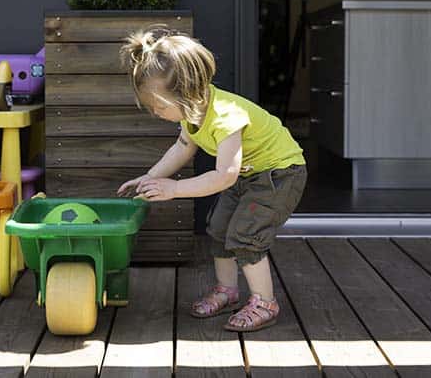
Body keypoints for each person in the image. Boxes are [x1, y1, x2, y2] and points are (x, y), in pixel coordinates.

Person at [117, 25, 307, 332]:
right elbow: (182, 147)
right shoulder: (192, 114)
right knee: (218, 229)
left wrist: (174, 188)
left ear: (188, 93)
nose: (155, 113)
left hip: (280, 174)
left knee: (246, 235)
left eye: (158, 106)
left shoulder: (225, 116)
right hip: (249, 175)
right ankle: (228, 291)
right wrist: (150, 177)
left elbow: (225, 176)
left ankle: (265, 302)